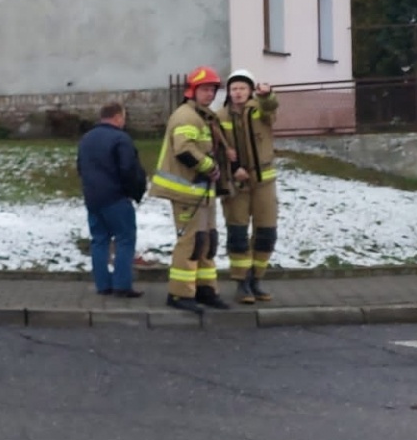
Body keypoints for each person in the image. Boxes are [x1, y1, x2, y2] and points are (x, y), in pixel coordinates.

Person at [149, 66, 233, 312]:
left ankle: (205, 290)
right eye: (205, 89)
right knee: (191, 242)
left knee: (207, 242)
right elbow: (184, 149)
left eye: (212, 90)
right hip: (187, 192)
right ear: (192, 91)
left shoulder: (203, 115)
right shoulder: (186, 116)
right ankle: (179, 294)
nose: (209, 94)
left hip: (201, 192)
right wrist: (210, 167)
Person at [218, 70, 279, 303]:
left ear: (251, 90)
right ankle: (241, 283)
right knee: (238, 234)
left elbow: (271, 108)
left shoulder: (260, 110)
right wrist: (234, 170)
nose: (238, 92)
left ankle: (256, 280)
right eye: (234, 89)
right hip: (237, 185)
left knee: (266, 232)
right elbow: (217, 151)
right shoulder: (219, 117)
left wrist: (268, 95)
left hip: (264, 182)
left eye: (243, 88)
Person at [76, 101, 146, 297]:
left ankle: (103, 285)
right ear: (117, 117)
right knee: (125, 239)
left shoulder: (86, 138)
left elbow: (80, 167)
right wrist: (135, 191)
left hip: (93, 198)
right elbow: (128, 170)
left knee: (99, 240)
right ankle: (122, 285)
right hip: (116, 197)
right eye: (123, 117)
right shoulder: (121, 139)